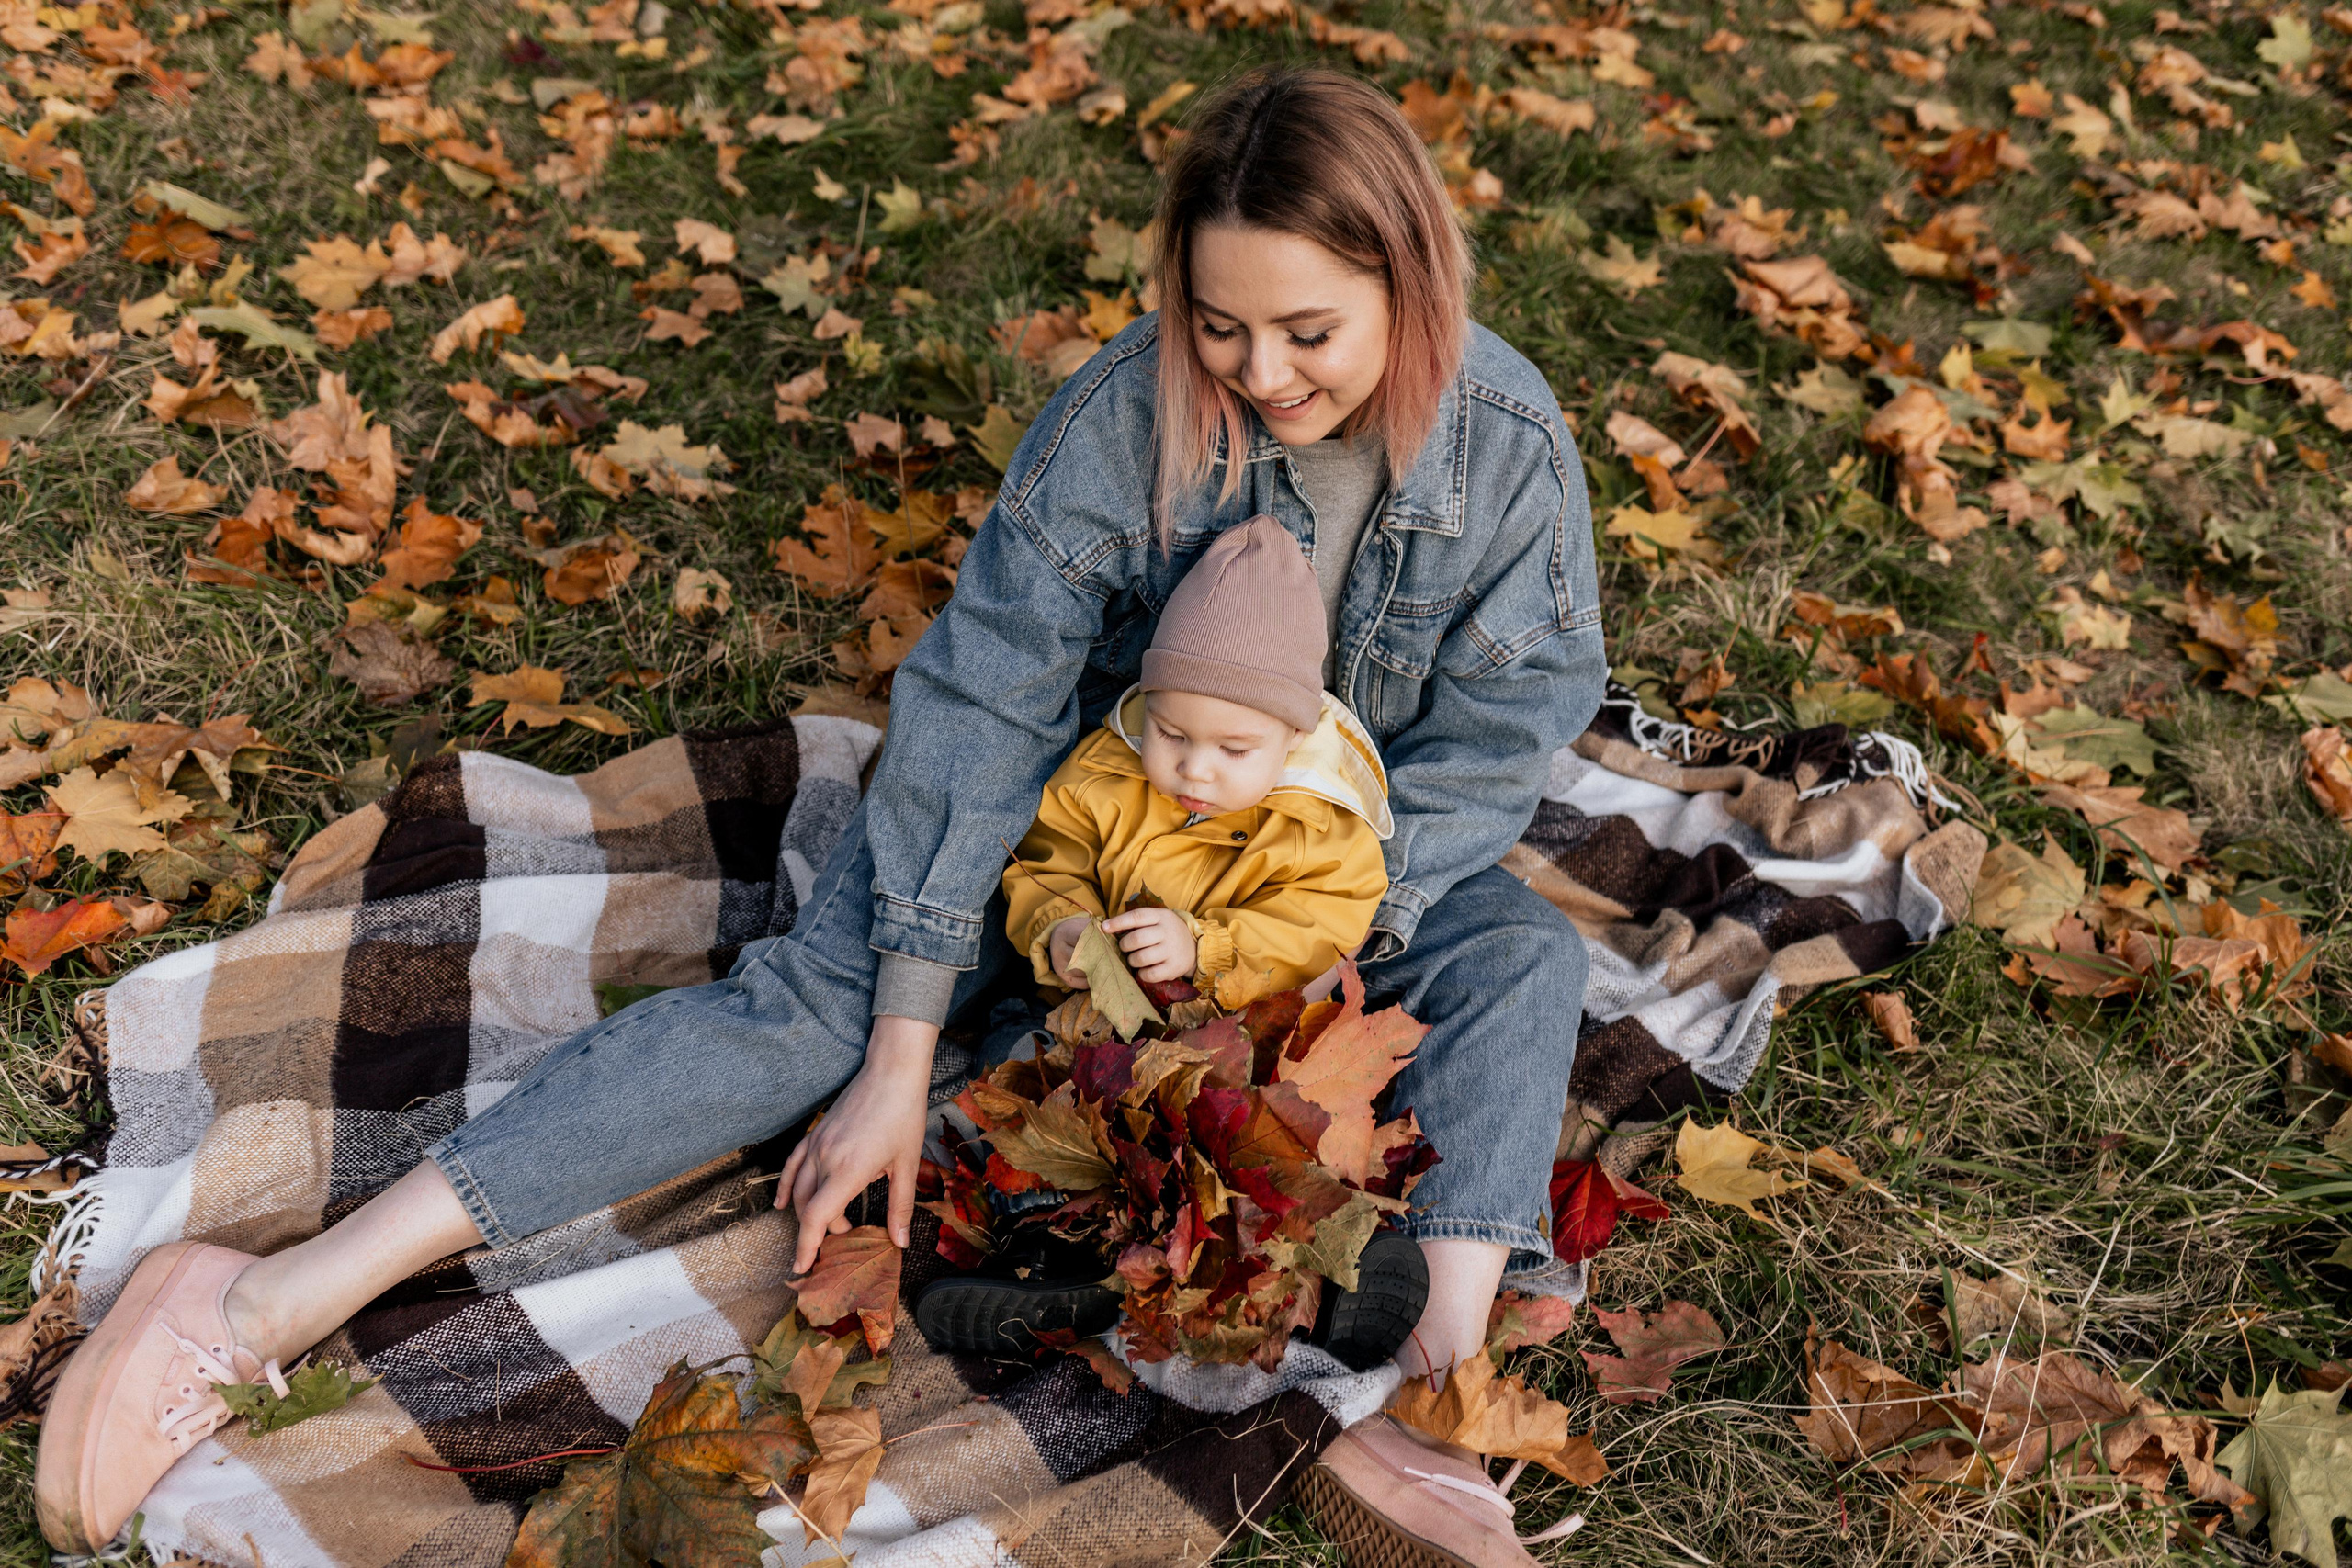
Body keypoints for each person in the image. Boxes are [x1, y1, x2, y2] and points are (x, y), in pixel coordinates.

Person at [37, 67, 1607, 1567]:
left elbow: (1496, 742)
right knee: (818, 1019)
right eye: (1221, 329)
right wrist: (906, 1037)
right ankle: (260, 1301)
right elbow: (986, 717)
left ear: (1412, 282)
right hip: (1061, 840)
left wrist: (1283, 941)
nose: (1263, 376)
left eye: (1308, 332)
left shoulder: (1513, 447)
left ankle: (1435, 1402)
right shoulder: (1122, 426)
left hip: (1318, 869)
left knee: (1523, 961)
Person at [917, 515, 1431, 1364]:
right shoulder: (1104, 774)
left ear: (1294, 738)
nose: (1196, 767)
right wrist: (1061, 927)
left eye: (1234, 748)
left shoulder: (1321, 821)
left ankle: (1344, 1263)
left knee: (1271, 1141)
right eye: (1173, 734)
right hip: (1097, 1029)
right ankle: (1047, 1256)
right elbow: (1045, 862)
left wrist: (1209, 947)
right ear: (1146, 706)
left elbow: (1324, 924)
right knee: (1029, 1089)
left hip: (1238, 1038)